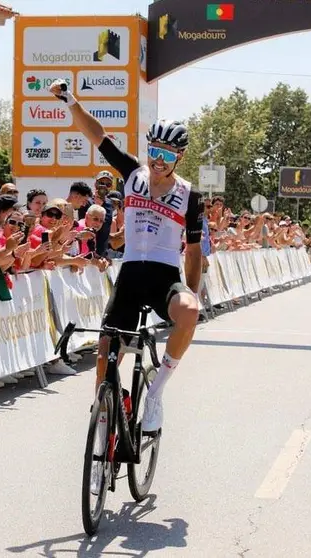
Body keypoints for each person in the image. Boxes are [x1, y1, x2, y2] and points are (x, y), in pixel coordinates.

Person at [49, 79, 204, 437]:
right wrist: (70, 100)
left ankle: (156, 393)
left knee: (191, 310)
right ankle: (104, 418)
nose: (158, 161)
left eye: (167, 155)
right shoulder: (133, 173)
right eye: (155, 151)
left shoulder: (189, 195)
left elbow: (194, 251)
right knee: (106, 350)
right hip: (131, 274)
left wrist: (192, 291)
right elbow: (97, 135)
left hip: (165, 276)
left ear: (179, 157)